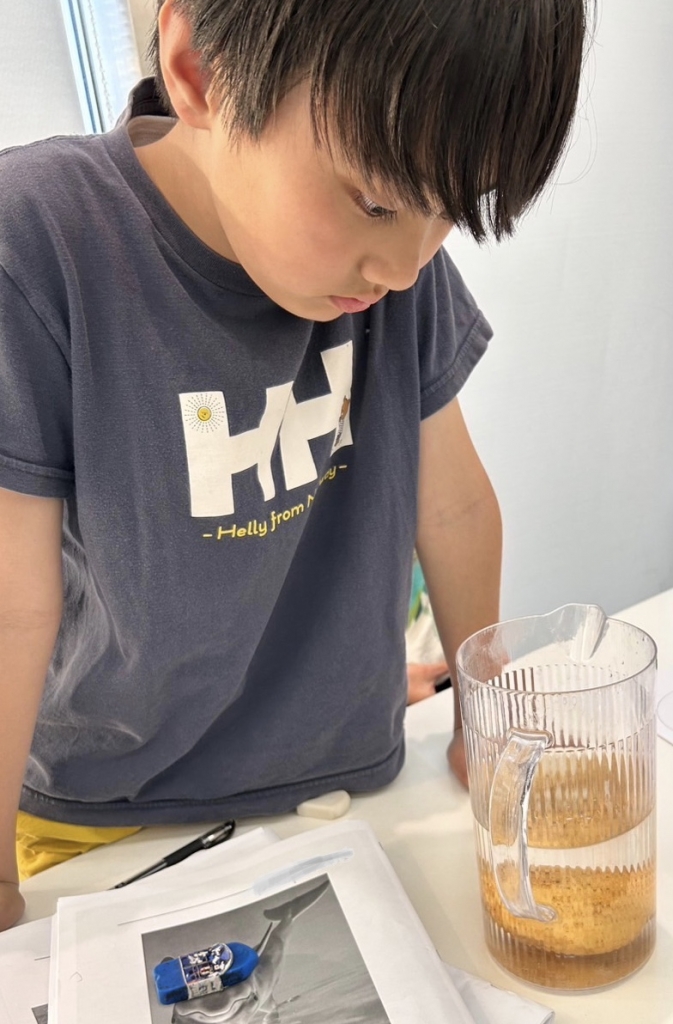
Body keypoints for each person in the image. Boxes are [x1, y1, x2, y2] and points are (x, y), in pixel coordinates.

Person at [0, 0, 589, 931]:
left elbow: (454, 509)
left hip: (342, 792)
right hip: (101, 821)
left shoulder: (389, 275)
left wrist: (485, 713)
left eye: (448, 211)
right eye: (377, 202)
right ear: (200, 72)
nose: (405, 265)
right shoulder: (40, 242)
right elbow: (12, 606)